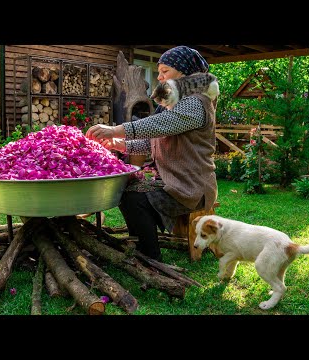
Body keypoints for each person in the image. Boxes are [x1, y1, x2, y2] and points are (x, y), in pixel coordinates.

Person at [85, 46, 218, 261]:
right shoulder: (175, 103)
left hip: (192, 187)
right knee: (126, 187)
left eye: (165, 71)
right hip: (174, 181)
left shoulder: (197, 103)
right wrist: (118, 144)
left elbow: (161, 125)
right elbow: (153, 143)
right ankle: (143, 246)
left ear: (184, 72)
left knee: (133, 198)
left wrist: (116, 129)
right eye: (159, 71)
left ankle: (149, 257)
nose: (159, 76)